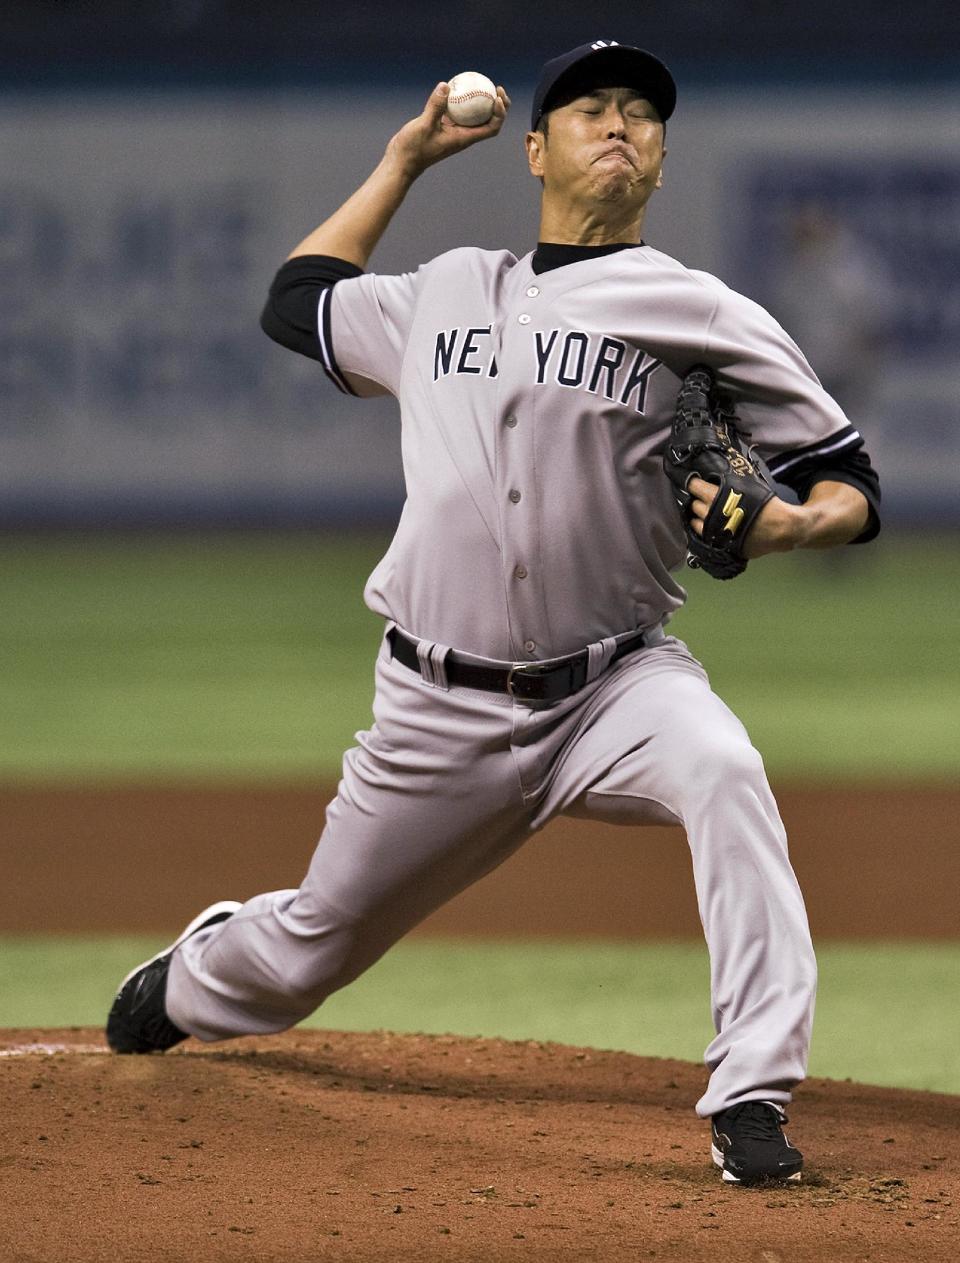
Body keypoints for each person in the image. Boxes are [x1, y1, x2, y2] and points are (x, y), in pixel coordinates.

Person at [107, 41, 881, 1187]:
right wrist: (402, 161)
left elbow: (850, 479)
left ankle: (751, 1094)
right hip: (436, 706)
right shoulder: (446, 290)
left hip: (619, 685)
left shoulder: (702, 310)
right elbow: (295, 302)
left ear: (662, 160)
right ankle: (193, 975)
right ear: (535, 149)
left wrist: (796, 526)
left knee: (725, 771)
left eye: (640, 115)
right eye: (588, 110)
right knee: (307, 953)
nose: (617, 125)